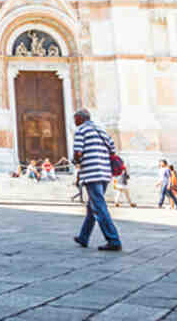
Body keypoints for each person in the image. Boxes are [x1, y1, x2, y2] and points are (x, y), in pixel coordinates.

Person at [71, 108, 122, 251]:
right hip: (105, 173)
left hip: (91, 173)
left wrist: (75, 161)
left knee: (99, 207)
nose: (74, 122)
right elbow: (112, 149)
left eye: (75, 119)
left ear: (81, 118)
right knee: (92, 206)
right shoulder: (101, 131)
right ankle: (83, 236)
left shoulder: (81, 131)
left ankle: (113, 239)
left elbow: (78, 152)